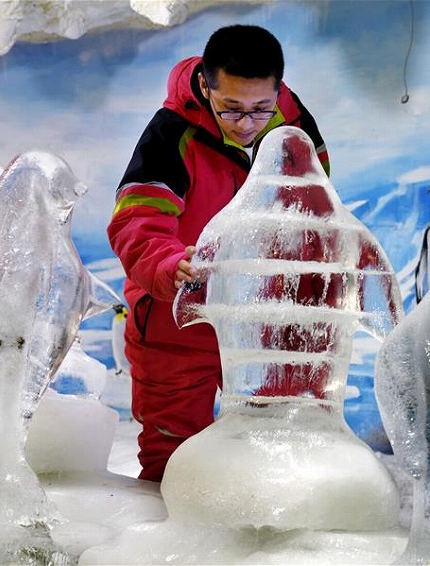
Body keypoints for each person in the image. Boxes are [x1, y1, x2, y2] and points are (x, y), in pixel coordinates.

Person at [107, 24, 330, 482]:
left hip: (260, 318)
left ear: (277, 90)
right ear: (206, 86)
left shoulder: (293, 129)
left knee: (273, 443)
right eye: (231, 110)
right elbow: (137, 220)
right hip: (176, 315)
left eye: (259, 110)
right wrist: (170, 266)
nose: (247, 125)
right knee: (171, 451)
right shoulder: (172, 134)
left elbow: (314, 213)